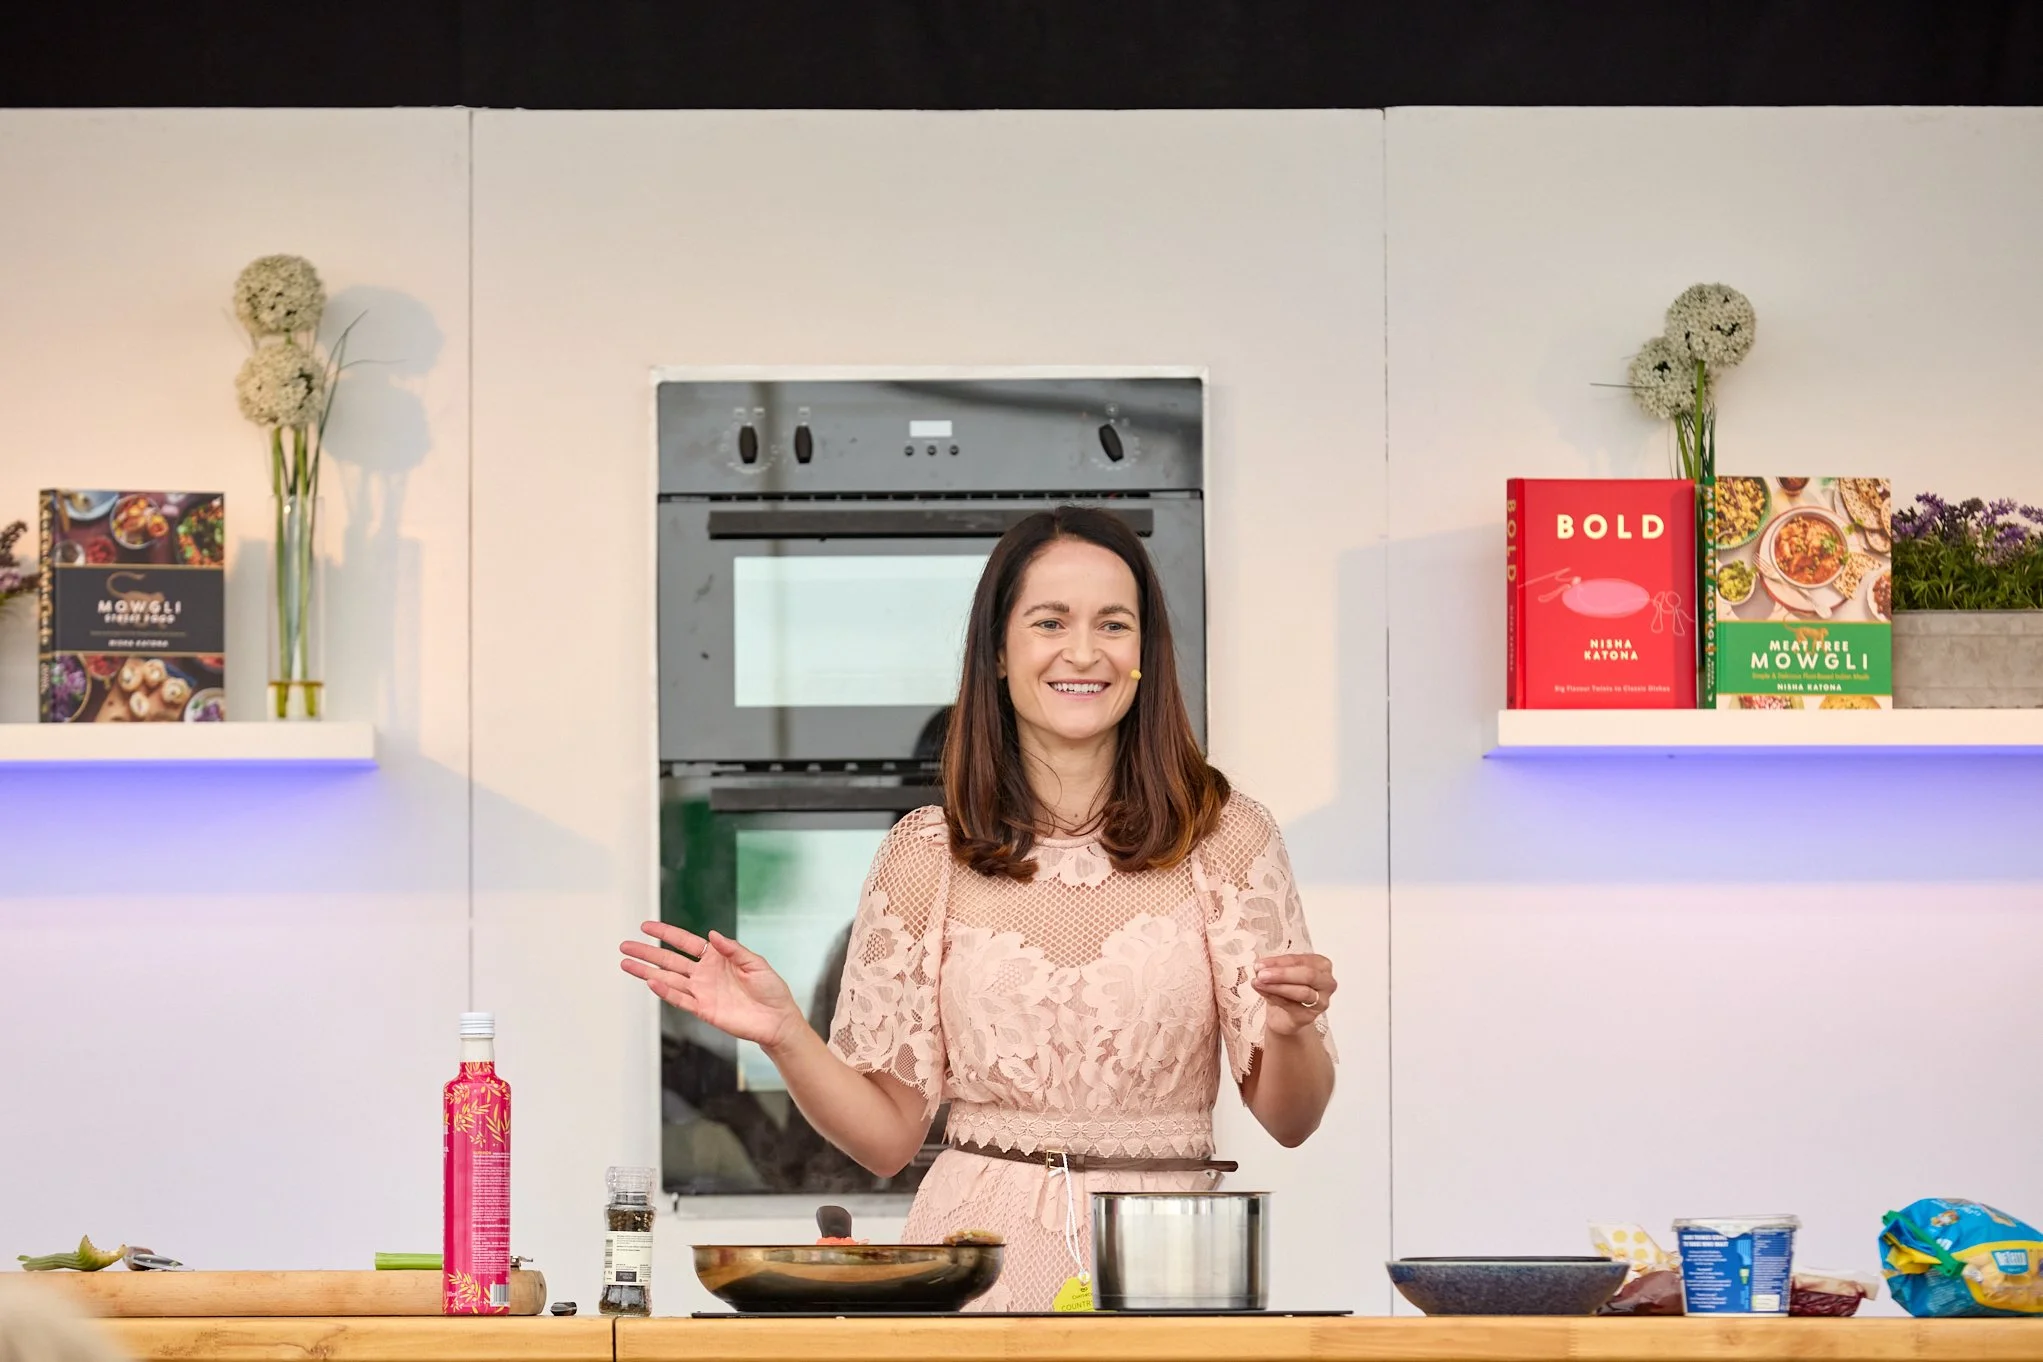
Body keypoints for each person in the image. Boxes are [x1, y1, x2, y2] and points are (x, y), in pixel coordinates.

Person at [621, 505, 1337, 1310]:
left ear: (1145, 653)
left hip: (1167, 1263)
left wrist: (1290, 1029)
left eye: (1113, 624)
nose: (1083, 651)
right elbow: (887, 1140)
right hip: (977, 1267)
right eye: (1049, 622)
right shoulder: (924, 854)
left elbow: (1291, 1119)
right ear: (997, 651)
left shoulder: (1228, 838)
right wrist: (786, 1034)